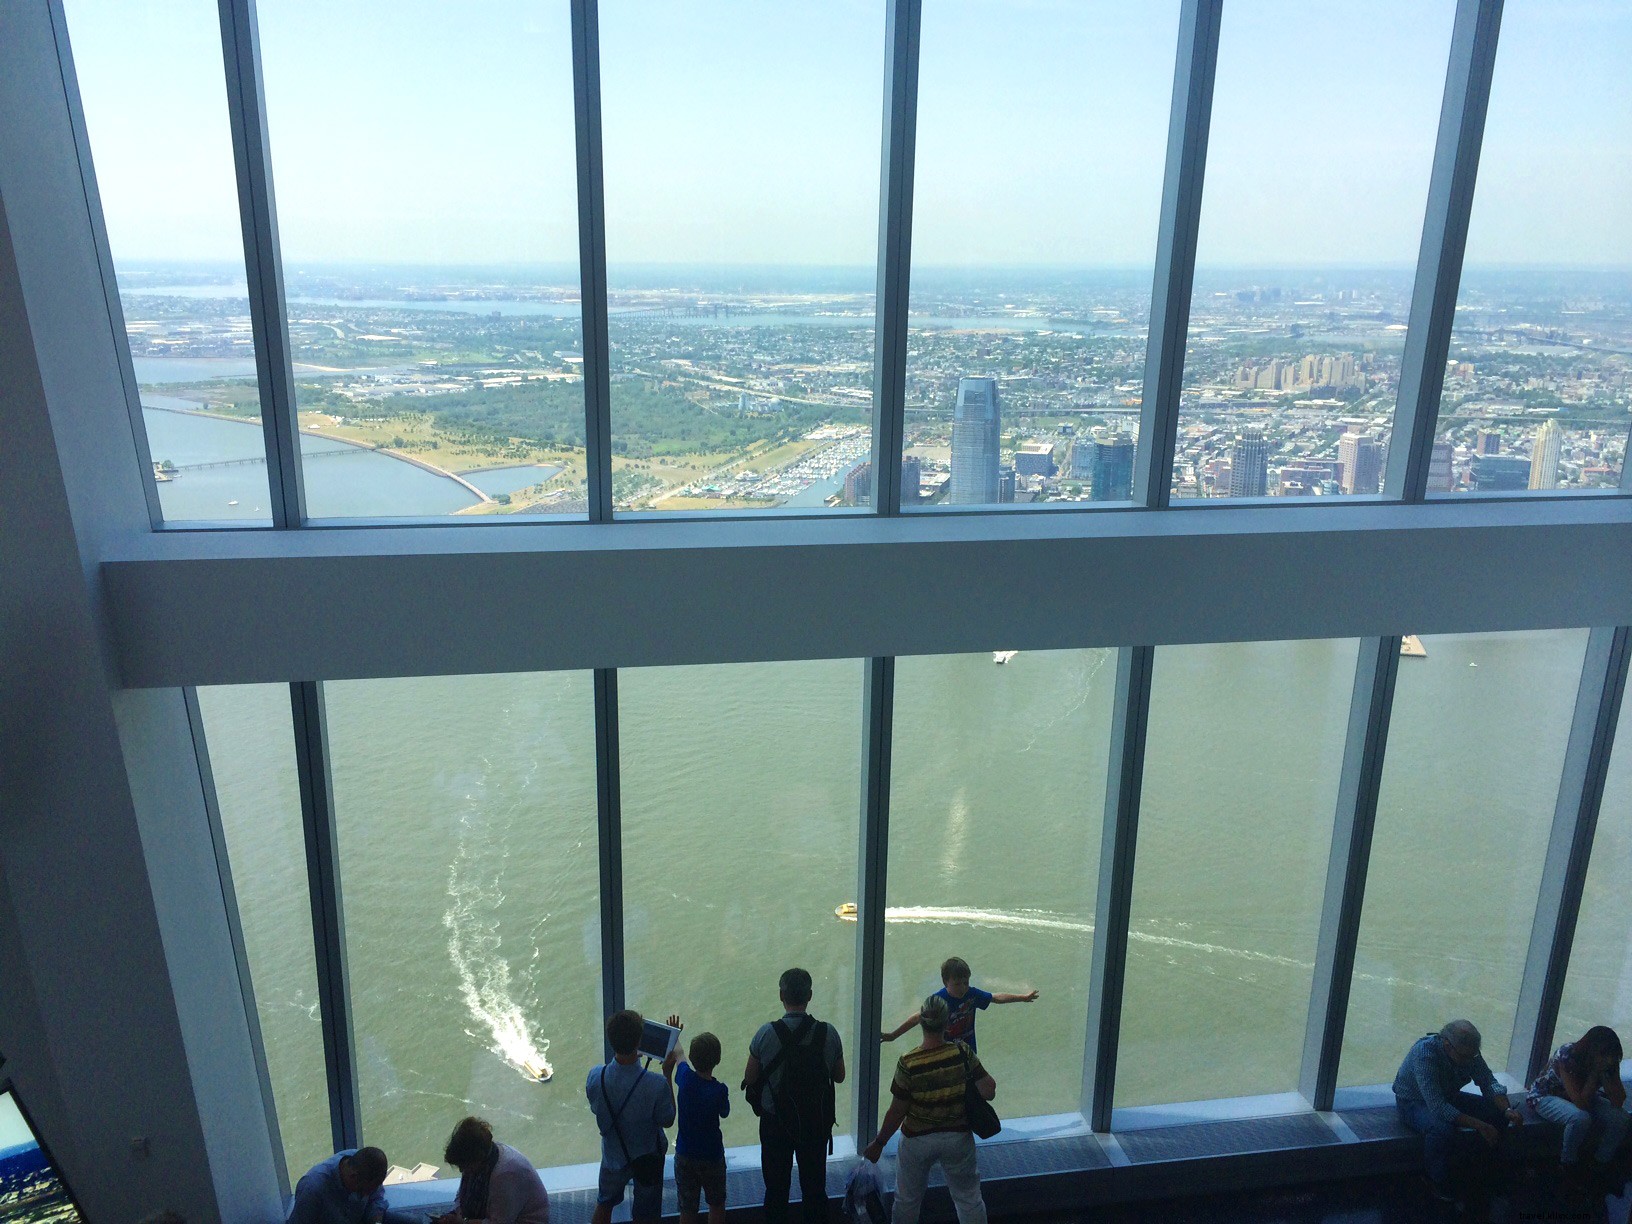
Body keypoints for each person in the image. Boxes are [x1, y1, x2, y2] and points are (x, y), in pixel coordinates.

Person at [862, 993, 994, 1224]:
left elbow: (897, 1111)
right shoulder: (962, 1052)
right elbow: (988, 1090)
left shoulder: (909, 1062)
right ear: (947, 1022)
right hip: (957, 1137)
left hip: (917, 1140)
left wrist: (879, 1143)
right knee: (968, 1199)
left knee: (907, 1201)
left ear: (922, 1023)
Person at [744, 967, 846, 1224]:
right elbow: (840, 1075)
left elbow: (751, 1077)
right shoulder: (828, 1032)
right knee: (814, 1188)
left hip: (775, 1123)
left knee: (776, 1190)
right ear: (809, 995)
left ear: (781, 995)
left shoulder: (766, 1033)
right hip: (815, 1121)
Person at [1393, 1020, 1522, 1202]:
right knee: (1441, 1129)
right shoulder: (1424, 1054)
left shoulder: (1469, 1054)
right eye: (1464, 1057)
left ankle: (1486, 1167)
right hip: (1413, 1101)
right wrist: (1480, 1125)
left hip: (1448, 1096)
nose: (1469, 1061)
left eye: (1473, 1055)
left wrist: (1506, 1109)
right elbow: (1437, 1106)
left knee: (1497, 1113)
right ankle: (1437, 1181)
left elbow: (1487, 1081)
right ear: (1447, 1045)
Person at [586, 1008, 679, 1224]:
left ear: (611, 1040)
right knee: (646, 1214)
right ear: (640, 1041)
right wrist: (667, 1073)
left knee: (604, 1204)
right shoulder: (655, 1084)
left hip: (613, 1156)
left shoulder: (596, 1077)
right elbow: (668, 1119)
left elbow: (595, 1107)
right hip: (647, 1157)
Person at [1527, 1025, 1629, 1196]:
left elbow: (1618, 1101)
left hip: (1583, 1095)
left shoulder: (1608, 1063)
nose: (1609, 1059)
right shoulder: (1567, 1055)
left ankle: (1600, 1163)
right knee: (1580, 1118)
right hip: (1547, 1094)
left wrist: (1607, 1075)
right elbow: (1580, 1102)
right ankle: (1568, 1165)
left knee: (1621, 1118)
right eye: (1605, 1054)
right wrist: (1595, 1074)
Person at [881, 957, 1037, 1053]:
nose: (963, 987)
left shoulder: (971, 994)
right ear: (945, 982)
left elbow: (995, 997)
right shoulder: (938, 1000)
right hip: (945, 1055)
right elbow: (916, 1018)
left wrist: (1022, 998)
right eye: (957, 984)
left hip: (969, 1053)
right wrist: (893, 1036)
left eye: (966, 982)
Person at [429, 1116, 549, 1224]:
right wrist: (453, 1214)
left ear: (476, 1158)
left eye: (464, 1165)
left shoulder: (506, 1175)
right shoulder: (482, 1159)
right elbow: (461, 1195)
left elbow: (500, 1222)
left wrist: (463, 1223)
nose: (461, 1170)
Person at [674, 1022, 730, 1224]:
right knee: (716, 1205)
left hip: (685, 1155)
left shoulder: (685, 1078)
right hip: (712, 1157)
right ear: (717, 1060)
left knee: (687, 1210)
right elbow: (724, 1113)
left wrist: (675, 1034)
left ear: (694, 1057)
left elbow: (679, 1055)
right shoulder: (719, 1090)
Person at [287, 1147, 392, 1224]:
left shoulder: (364, 1164)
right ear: (353, 1176)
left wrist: (376, 1221)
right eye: (364, 1191)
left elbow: (376, 1198)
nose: (367, 1195)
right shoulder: (312, 1189)